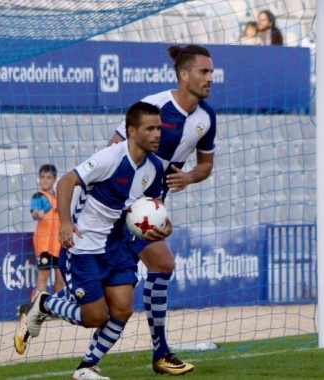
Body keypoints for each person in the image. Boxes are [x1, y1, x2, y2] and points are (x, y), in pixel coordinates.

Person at [15, 101, 169, 380]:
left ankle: (86, 368)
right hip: (83, 247)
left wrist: (161, 225)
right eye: (151, 128)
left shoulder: (155, 167)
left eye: (159, 127)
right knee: (95, 318)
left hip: (116, 246)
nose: (158, 133)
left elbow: (151, 205)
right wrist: (65, 223)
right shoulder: (110, 158)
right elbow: (65, 182)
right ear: (132, 131)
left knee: (123, 309)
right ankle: (44, 303)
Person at [106, 44, 216, 376]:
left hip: (145, 212)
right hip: (115, 207)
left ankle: (161, 352)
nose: (211, 78)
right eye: (204, 71)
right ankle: (43, 307)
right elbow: (112, 149)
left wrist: (189, 176)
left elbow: (206, 164)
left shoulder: (206, 117)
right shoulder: (154, 106)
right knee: (97, 307)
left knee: (163, 264)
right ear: (184, 75)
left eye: (211, 72)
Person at [30, 164, 64, 298]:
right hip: (44, 243)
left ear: (54, 179)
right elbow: (34, 213)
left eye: (48, 177)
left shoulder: (58, 196)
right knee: (43, 275)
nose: (45, 180)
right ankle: (40, 308)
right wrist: (37, 214)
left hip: (58, 243)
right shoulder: (38, 196)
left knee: (60, 275)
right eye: (42, 177)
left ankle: (58, 306)